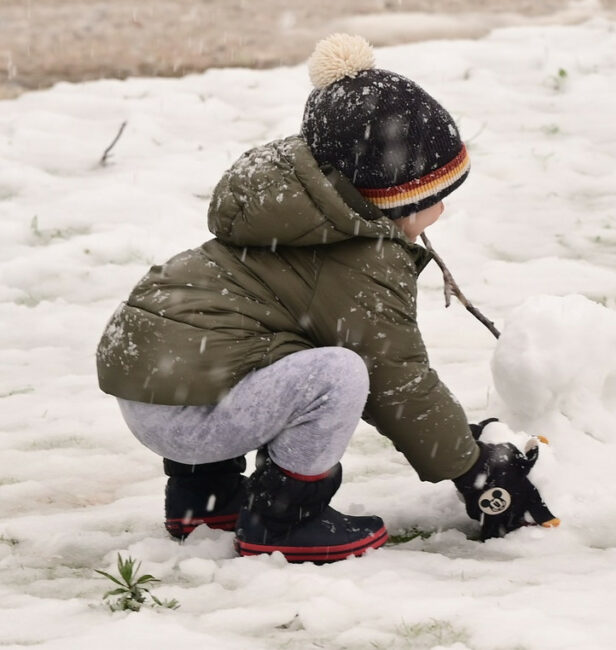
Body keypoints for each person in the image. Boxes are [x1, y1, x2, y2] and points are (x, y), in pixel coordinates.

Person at [95, 34, 558, 563]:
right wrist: (471, 466)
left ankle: (205, 502)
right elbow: (397, 381)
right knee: (339, 374)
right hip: (190, 418)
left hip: (154, 393)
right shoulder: (361, 259)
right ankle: (283, 522)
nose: (443, 212)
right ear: (400, 198)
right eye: (436, 198)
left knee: (249, 344)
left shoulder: (294, 218)